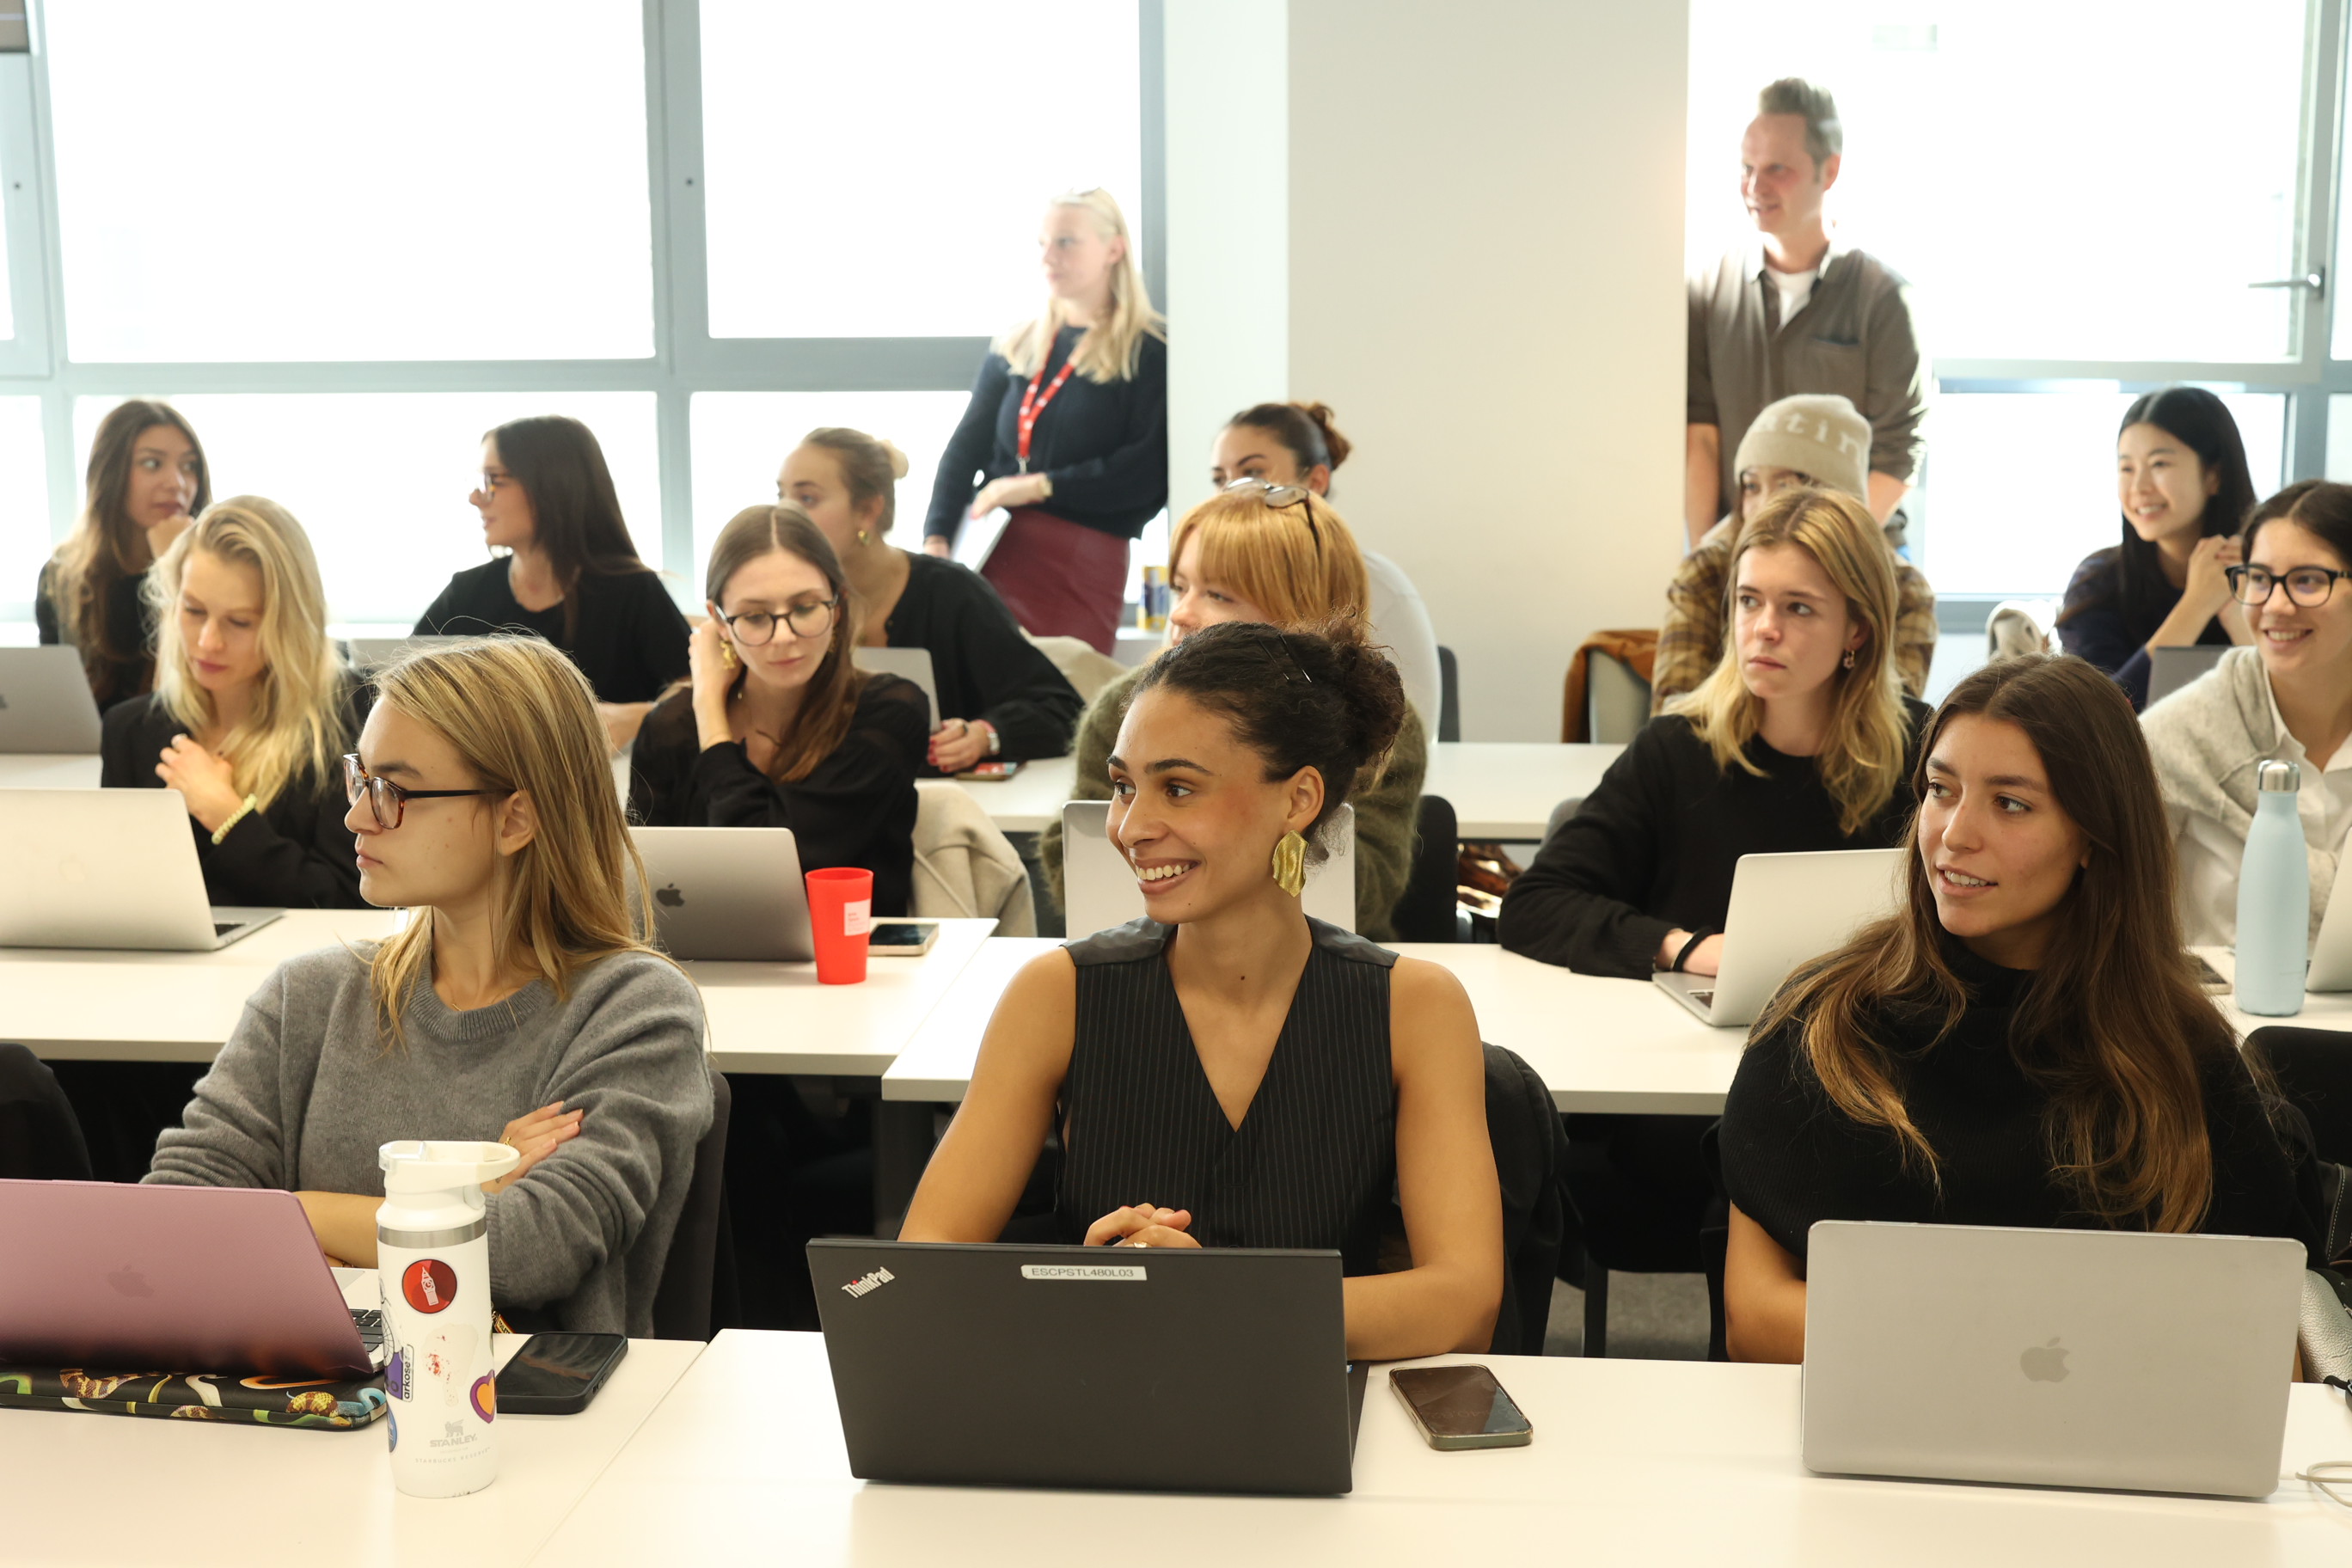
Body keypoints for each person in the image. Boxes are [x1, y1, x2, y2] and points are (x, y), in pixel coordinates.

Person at [900, 621, 1502, 1361]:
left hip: (1315, 1405)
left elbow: (1466, 1302)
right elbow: (926, 1263)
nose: (1130, 828)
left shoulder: (1415, 1006)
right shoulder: (1057, 994)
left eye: (1178, 789)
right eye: (1124, 787)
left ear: (1299, 799)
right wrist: (1080, 1284)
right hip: (1108, 1398)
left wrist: (1208, 1299)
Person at [1720, 654, 2315, 1363]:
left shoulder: (2181, 1053)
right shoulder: (1825, 1024)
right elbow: (1754, 1318)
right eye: (1941, 790)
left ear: (2094, 836)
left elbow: (2266, 1337)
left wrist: (1980, 1346)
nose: (1954, 834)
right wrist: (2025, 1352)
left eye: (2010, 804)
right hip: (1862, 1419)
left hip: (2104, 1426)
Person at [146, 637, 713, 1337]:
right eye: (360, 779)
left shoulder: (635, 1010)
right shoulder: (307, 998)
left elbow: (533, 1249)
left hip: (528, 1400)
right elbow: (175, 1216)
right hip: (307, 1390)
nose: (357, 817)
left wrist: (292, 1214)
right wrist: (465, 1193)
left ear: (515, 818)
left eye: (395, 792)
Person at [1505, 486, 1927, 979]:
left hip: (1865, 1018)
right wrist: (1683, 948)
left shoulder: (1924, 752)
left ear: (1857, 630)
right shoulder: (1675, 747)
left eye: (1798, 607)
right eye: (1749, 601)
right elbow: (1533, 905)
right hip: (1693, 1020)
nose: (1764, 628)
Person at [1038, 482, 1429, 941]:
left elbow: (1367, 892)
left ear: (1303, 610)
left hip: (1324, 958)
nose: (1181, 613)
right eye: (1180, 587)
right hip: (1152, 953)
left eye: (1218, 595)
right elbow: (1073, 869)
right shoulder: (1126, 710)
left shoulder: (1367, 717)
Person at [628, 504, 927, 918]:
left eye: (805, 608)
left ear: (837, 606)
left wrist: (710, 715)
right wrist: (705, 704)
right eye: (755, 616)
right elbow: (638, 885)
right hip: (701, 955)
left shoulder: (889, 711)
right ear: (720, 622)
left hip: (853, 955)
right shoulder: (671, 727)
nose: (784, 636)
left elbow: (765, 874)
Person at [922, 189, 1167, 653]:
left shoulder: (1149, 350)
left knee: (1064, 687)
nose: (1049, 257)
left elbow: (1143, 474)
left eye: (1066, 242)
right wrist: (937, 539)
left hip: (1080, 559)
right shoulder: (1016, 345)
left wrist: (1035, 487)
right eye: (1042, 244)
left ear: (1114, 249)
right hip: (989, 549)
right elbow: (964, 449)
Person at [1687, 78, 1926, 548]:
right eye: (1747, 167)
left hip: (1857, 549)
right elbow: (1701, 437)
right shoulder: (1708, 292)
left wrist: (1818, 556)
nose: (1755, 187)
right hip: (1744, 550)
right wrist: (1708, 559)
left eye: (1777, 169)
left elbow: (1898, 456)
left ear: (1829, 170)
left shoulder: (1884, 299)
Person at [100, 497, 367, 910]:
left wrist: (229, 818)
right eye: (193, 611)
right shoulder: (130, 729)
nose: (208, 642)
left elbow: (351, 901)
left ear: (290, 624)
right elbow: (120, 896)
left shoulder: (349, 719)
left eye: (239, 622)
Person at [780, 426, 1081, 770]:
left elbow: (1061, 709)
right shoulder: (774, 601)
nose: (785, 515)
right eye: (781, 495)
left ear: (868, 510)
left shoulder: (951, 592)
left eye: (807, 499)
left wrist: (984, 735)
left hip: (942, 797)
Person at [2145, 481, 2352, 947]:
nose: (2276, 605)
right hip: (2212, 995)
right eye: (2259, 579)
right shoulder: (2175, 738)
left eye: (2308, 580)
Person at [413, 415, 689, 754]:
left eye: (492, 480)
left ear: (549, 485)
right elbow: (404, 683)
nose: (474, 497)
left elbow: (698, 691)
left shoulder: (633, 591)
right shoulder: (467, 591)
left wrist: (643, 716)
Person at [1651, 393, 1937, 710]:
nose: (1764, 505)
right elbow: (1673, 709)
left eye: (1787, 486)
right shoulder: (1706, 568)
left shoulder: (1906, 590)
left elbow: (1897, 720)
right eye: (1751, 486)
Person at [1208, 401, 1445, 730]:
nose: (1231, 492)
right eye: (1219, 478)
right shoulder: (1201, 580)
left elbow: (1412, 738)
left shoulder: (1381, 588)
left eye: (1253, 473)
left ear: (1316, 481)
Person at [2057, 388, 2260, 711]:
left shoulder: (2273, 576)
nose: (2139, 487)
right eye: (2127, 468)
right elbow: (2097, 718)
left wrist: (2240, 613)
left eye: (2159, 464)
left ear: (2214, 476)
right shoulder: (2097, 583)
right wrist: (2196, 605)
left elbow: (2300, 707)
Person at [36, 399, 211, 712]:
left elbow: (184, 704)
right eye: (152, 464)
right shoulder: (62, 576)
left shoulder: (214, 573)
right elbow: (55, 703)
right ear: (111, 472)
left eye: (189, 466)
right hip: (90, 740)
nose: (177, 483)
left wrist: (172, 570)